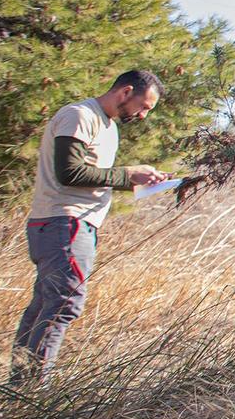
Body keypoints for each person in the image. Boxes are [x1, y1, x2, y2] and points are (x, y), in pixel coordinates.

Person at [10, 70, 167, 381]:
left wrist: (135, 180)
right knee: (63, 303)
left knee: (45, 304)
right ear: (125, 92)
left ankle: (17, 387)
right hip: (65, 223)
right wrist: (127, 174)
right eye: (144, 106)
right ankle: (31, 391)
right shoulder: (80, 115)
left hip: (69, 224)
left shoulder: (107, 126)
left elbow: (89, 176)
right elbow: (69, 173)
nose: (144, 115)